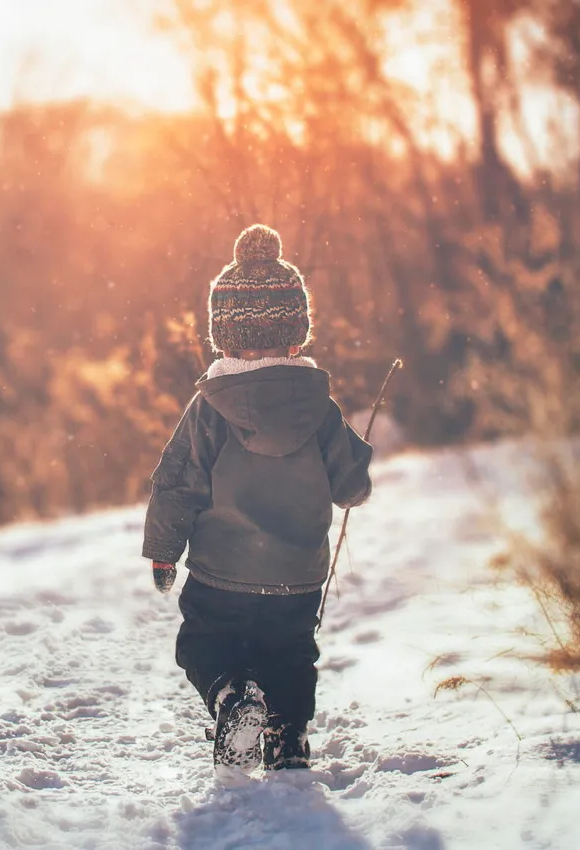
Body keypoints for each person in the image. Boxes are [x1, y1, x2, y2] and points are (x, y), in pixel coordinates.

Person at [142, 224, 373, 771]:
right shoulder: (320, 407)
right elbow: (350, 489)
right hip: (297, 574)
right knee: (291, 653)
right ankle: (288, 738)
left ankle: (231, 697)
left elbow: (178, 481)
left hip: (221, 571)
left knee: (202, 640)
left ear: (223, 338)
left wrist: (162, 550)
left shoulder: (209, 408)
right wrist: (359, 463)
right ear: (298, 337)